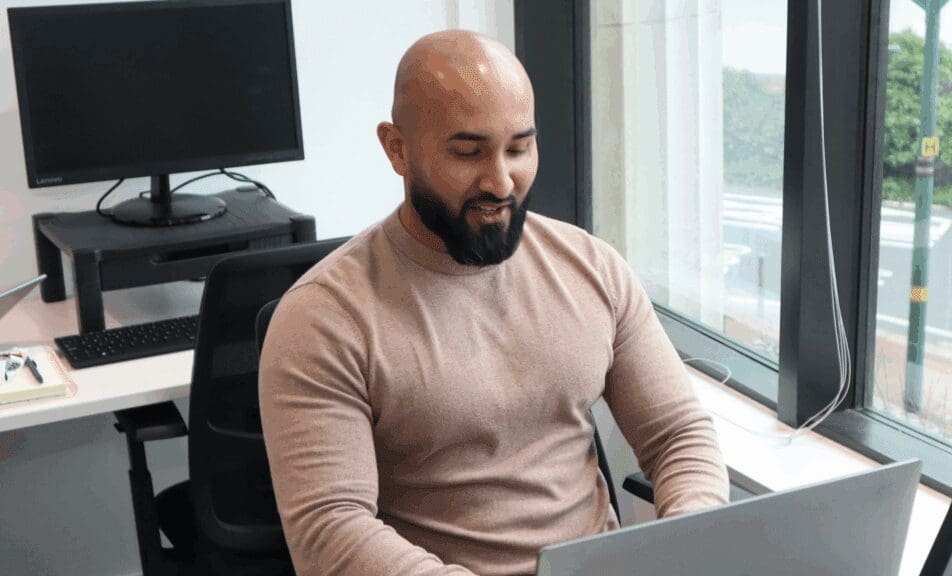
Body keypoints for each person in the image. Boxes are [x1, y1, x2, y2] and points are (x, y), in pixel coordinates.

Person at [258, 29, 729, 576]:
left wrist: (691, 537)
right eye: (468, 152)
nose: (501, 181)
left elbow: (679, 437)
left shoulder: (592, 268)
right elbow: (330, 531)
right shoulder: (322, 317)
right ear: (396, 148)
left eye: (519, 147)